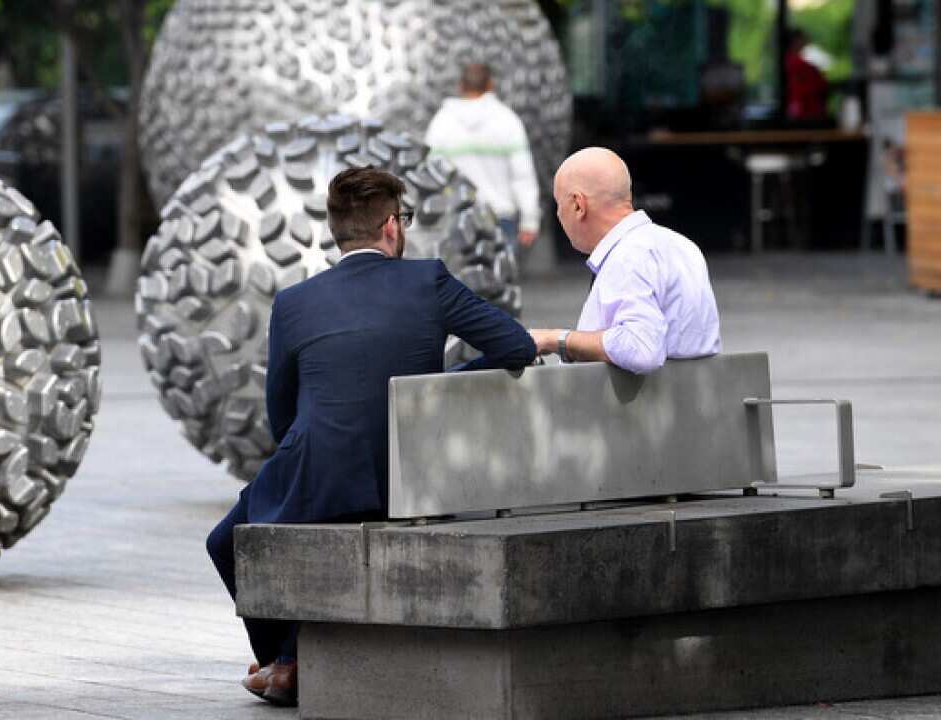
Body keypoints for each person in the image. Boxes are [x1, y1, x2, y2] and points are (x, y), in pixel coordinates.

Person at [206, 167, 537, 706]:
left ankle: (284, 660)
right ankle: (288, 662)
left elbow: (281, 417)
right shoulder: (428, 280)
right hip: (405, 478)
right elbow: (516, 346)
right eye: (404, 218)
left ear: (336, 231)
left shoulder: (294, 302)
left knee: (225, 541)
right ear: (391, 226)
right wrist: (432, 386)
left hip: (317, 476)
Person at [528, 147, 721, 374]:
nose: (559, 214)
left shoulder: (628, 256)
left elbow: (640, 349)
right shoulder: (681, 245)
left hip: (653, 396)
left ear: (578, 205)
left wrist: (554, 339)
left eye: (559, 204)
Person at [425, 63, 540, 250]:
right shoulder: (507, 120)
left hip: (454, 218)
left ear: (460, 86)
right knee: (501, 268)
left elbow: (430, 174)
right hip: (500, 217)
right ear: (490, 85)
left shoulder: (441, 122)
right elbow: (522, 175)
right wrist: (530, 220)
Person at [784, 30, 828, 123]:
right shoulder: (801, 65)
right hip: (807, 114)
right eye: (803, 39)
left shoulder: (788, 62)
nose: (805, 42)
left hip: (799, 113)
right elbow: (821, 85)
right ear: (796, 41)